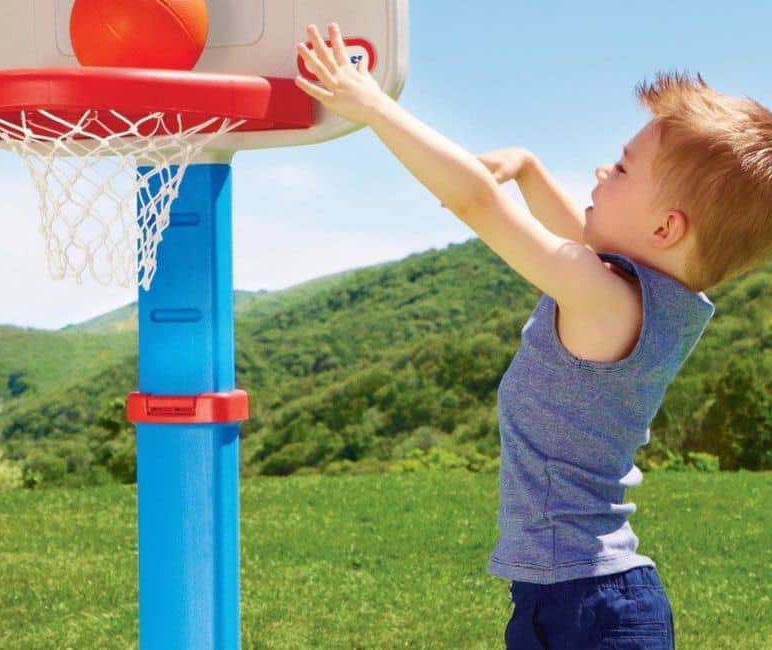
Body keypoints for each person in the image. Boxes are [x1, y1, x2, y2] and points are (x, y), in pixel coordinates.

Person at [296, 22, 772, 648]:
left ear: (665, 229)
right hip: (574, 597)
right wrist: (527, 164)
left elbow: (476, 205)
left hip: (591, 608)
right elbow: (583, 234)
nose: (604, 168)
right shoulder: (659, 300)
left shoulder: (604, 299)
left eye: (624, 168)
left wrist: (373, 105)